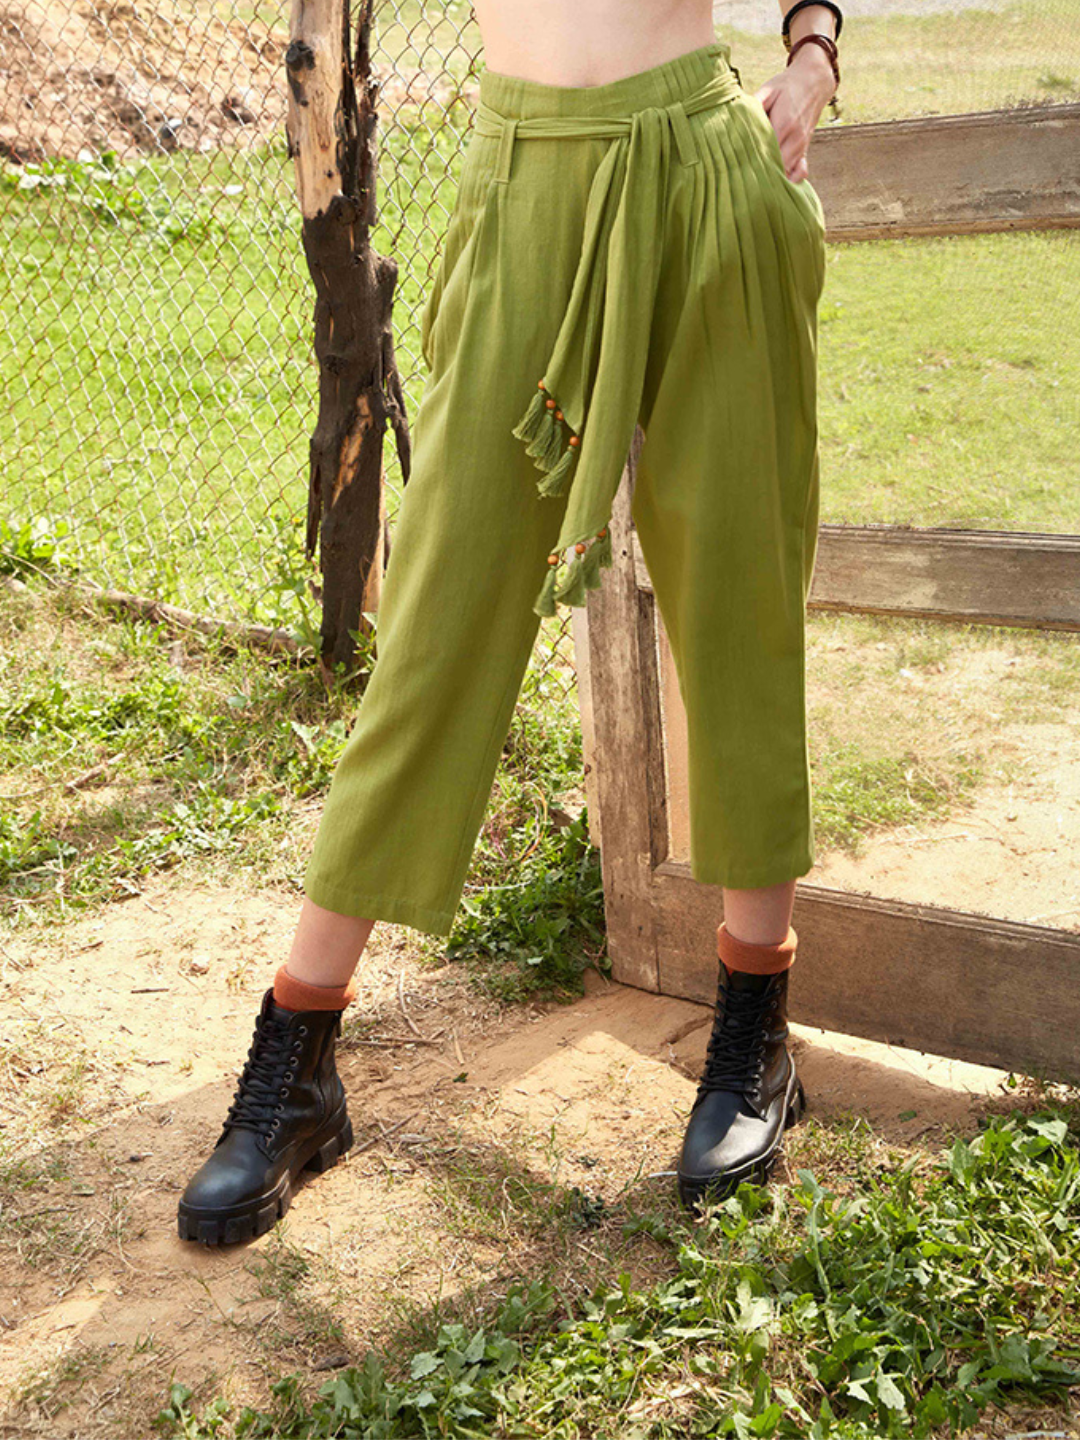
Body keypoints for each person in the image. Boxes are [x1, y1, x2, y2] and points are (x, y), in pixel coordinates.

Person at [177, 0, 842, 1244]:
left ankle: (753, 1034)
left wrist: (813, 54)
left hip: (706, 173)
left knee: (739, 613)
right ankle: (298, 1052)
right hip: (522, 176)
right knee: (437, 624)